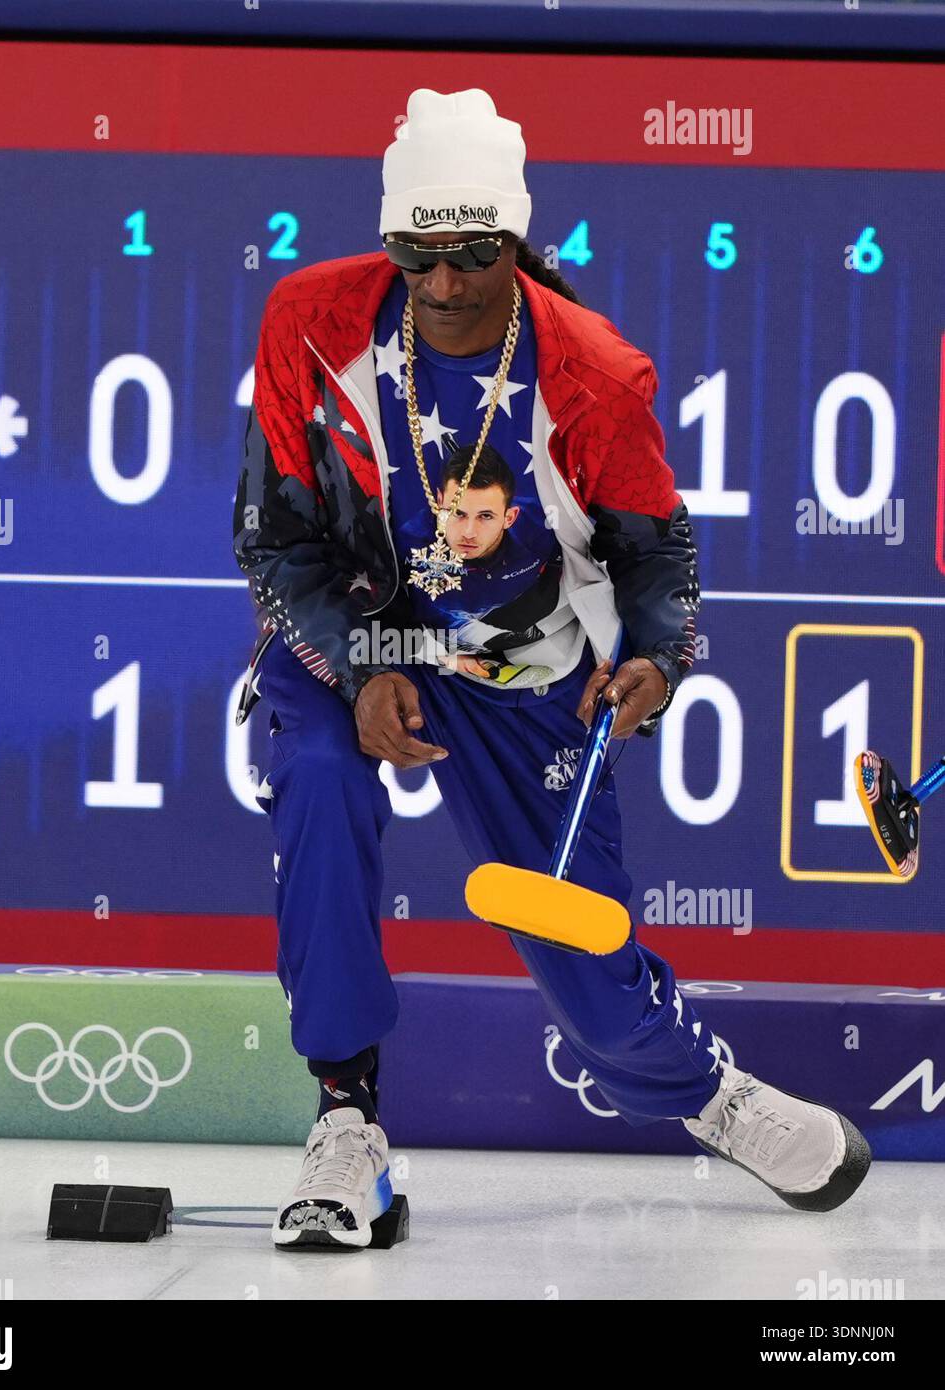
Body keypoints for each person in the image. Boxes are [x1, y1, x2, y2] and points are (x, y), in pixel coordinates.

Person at [233, 88, 870, 1248]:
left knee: (585, 960)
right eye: (414, 252)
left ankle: (705, 1089)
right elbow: (273, 538)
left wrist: (658, 659)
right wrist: (357, 661)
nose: (441, 282)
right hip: (357, 637)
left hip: (520, 666)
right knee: (319, 783)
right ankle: (345, 1114)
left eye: (472, 253)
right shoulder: (308, 320)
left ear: (515, 241)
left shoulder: (592, 375)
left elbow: (653, 552)